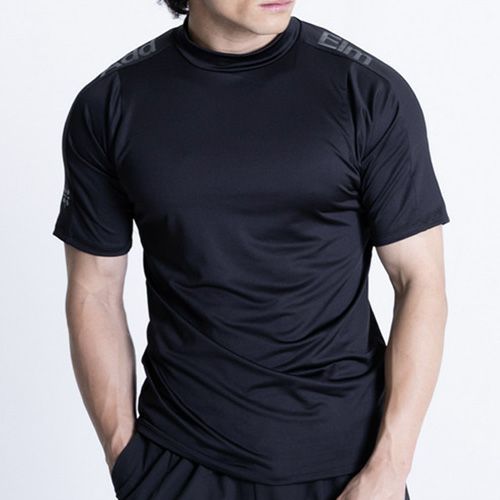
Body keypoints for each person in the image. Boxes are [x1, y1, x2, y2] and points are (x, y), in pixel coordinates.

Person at [52, 0, 450, 498]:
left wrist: (388, 469)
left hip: (347, 467)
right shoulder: (110, 102)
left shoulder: (367, 90)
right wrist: (124, 455)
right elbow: (93, 290)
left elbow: (419, 281)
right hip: (180, 462)